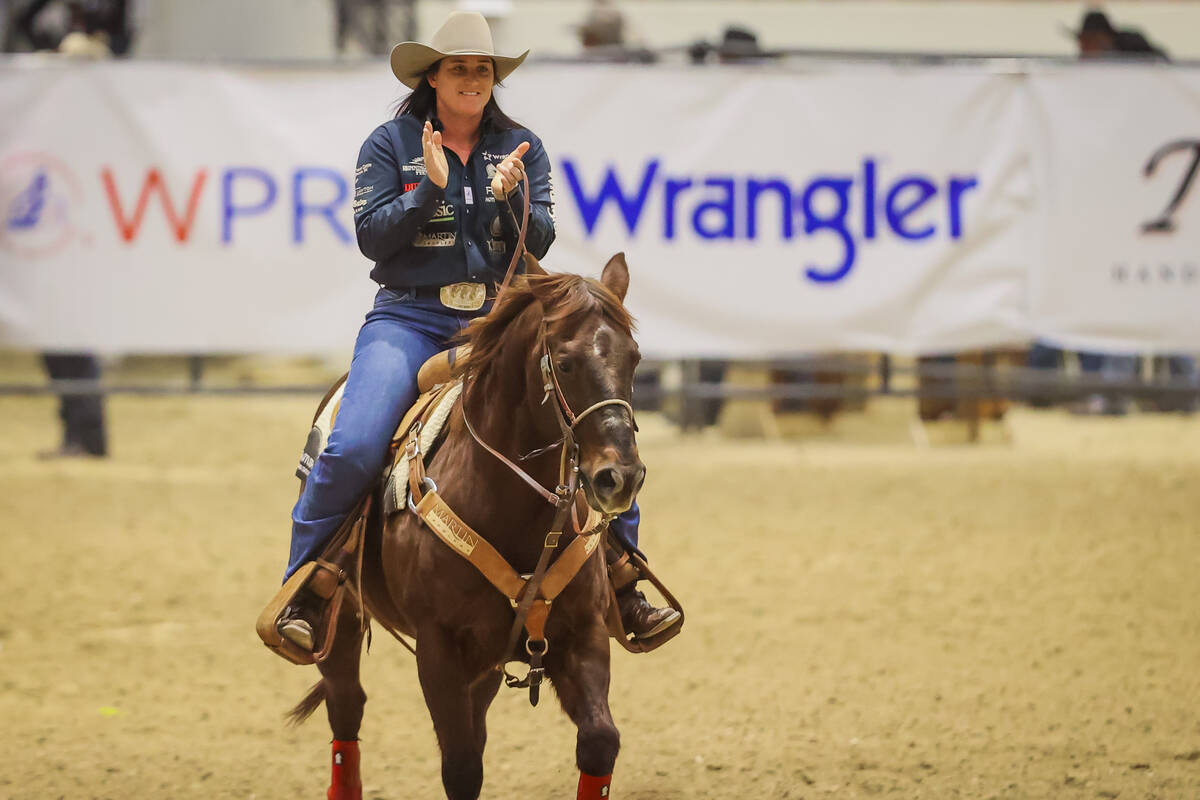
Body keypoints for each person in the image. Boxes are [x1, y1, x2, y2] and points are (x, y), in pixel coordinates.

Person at [278, 11, 676, 651]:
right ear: (433, 75)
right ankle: (306, 585)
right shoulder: (390, 145)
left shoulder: (523, 146)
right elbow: (370, 237)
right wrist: (427, 191)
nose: (472, 79)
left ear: (494, 79)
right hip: (408, 315)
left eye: (482, 69)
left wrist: (511, 198)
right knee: (353, 446)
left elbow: (538, 236)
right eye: (459, 67)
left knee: (592, 419)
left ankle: (624, 576)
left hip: (498, 317)